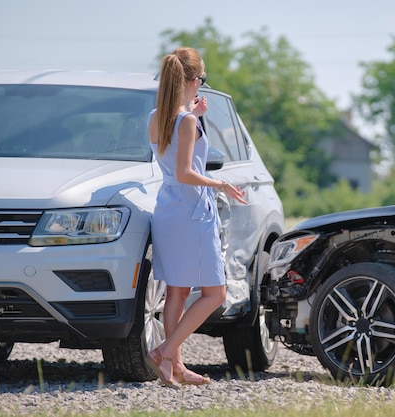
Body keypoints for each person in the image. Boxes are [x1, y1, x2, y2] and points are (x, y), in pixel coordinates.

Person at [146, 47, 247, 388]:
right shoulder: (187, 121)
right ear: (192, 81)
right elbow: (186, 171)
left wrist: (192, 110)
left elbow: (173, 152)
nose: (202, 85)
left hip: (167, 211)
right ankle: (165, 350)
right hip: (192, 213)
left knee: (176, 291)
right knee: (215, 294)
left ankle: (175, 367)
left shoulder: (157, 117)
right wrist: (221, 183)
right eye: (202, 79)